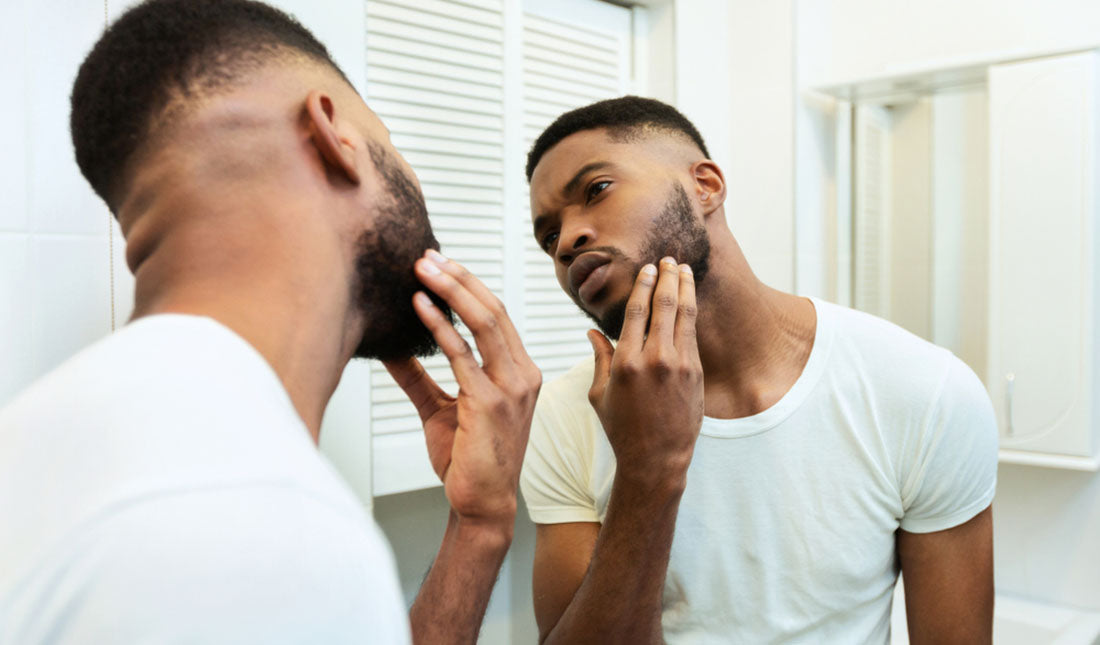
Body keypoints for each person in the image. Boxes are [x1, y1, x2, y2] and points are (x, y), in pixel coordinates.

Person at [0, 1, 540, 643]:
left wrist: (480, 526)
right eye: (388, 143)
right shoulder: (258, 524)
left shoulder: (52, 441)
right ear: (334, 135)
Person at [521, 96, 998, 644]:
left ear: (705, 186)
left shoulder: (924, 390)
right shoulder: (564, 413)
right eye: (548, 236)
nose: (567, 242)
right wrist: (647, 468)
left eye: (596, 190)